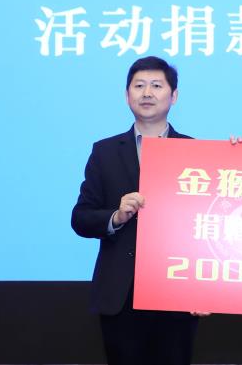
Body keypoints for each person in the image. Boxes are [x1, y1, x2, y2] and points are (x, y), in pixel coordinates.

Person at [71, 56, 198, 365]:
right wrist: (115, 217)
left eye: (156, 86)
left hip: (176, 292)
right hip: (120, 294)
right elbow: (81, 217)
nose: (147, 93)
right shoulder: (104, 152)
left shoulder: (195, 151)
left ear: (174, 95)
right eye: (139, 86)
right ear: (127, 95)